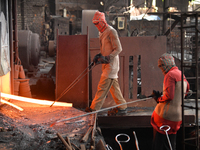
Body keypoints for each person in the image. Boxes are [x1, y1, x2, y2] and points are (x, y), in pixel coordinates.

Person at [85, 10, 127, 115]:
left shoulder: (111, 31)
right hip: (106, 64)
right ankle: (122, 106)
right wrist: (99, 55)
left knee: (102, 87)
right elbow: (105, 48)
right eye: (95, 24)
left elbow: (118, 49)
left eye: (97, 24)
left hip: (112, 64)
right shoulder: (102, 32)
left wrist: (108, 57)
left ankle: (94, 109)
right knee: (114, 87)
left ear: (102, 22)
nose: (96, 26)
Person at [151, 53, 190, 150]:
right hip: (177, 117)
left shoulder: (170, 75)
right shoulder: (181, 74)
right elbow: (186, 91)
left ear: (167, 64)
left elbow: (169, 96)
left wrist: (158, 99)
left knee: (159, 144)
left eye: (162, 66)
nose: (162, 69)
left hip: (165, 117)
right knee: (170, 144)